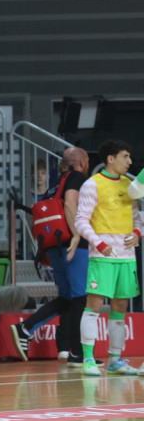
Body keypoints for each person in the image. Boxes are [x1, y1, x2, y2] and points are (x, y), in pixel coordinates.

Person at [11, 147, 90, 366]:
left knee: (67, 298)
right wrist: (76, 236)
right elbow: (71, 205)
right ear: (82, 161)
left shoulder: (54, 185)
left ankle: (25, 328)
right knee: (79, 298)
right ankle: (77, 353)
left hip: (53, 246)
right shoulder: (77, 177)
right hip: (72, 245)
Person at [75, 139, 142, 377]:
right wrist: (99, 243)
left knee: (120, 308)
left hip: (126, 257)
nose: (130, 162)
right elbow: (81, 221)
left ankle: (115, 359)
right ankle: (89, 359)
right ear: (111, 159)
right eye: (125, 156)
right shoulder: (92, 185)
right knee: (93, 306)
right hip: (102, 256)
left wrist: (137, 233)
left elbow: (137, 218)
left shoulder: (130, 184)